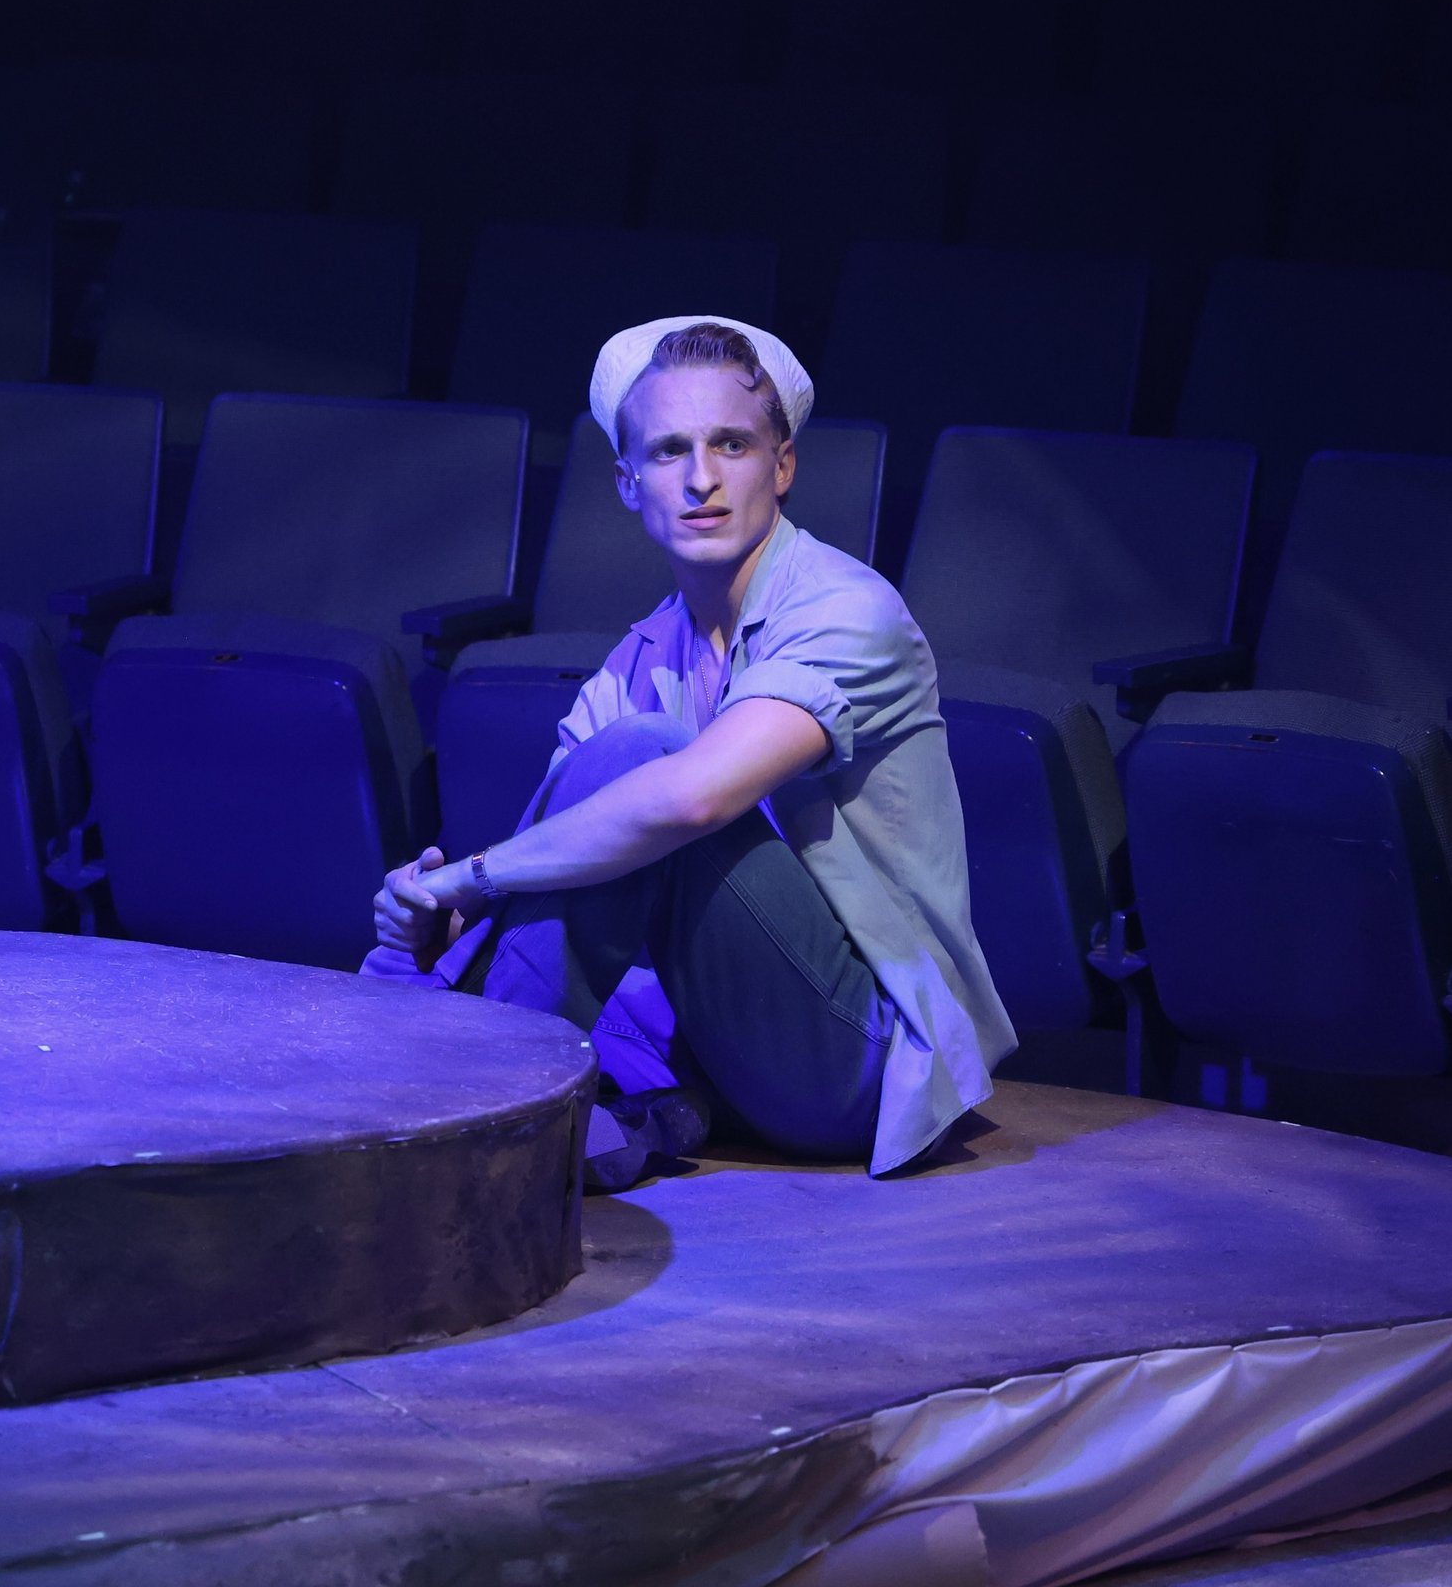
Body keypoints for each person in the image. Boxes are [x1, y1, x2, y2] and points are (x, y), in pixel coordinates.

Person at [369, 316, 1013, 1185]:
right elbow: (563, 857)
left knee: (646, 758)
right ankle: (466, 1093)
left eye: (731, 445)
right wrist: (434, 909)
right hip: (711, 1039)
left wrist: (474, 877)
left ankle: (471, 1120)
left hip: (861, 1060)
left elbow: (691, 800)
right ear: (629, 483)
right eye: (669, 451)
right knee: (585, 815)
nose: (701, 479)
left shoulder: (848, 612)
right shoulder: (639, 654)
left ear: (782, 467)